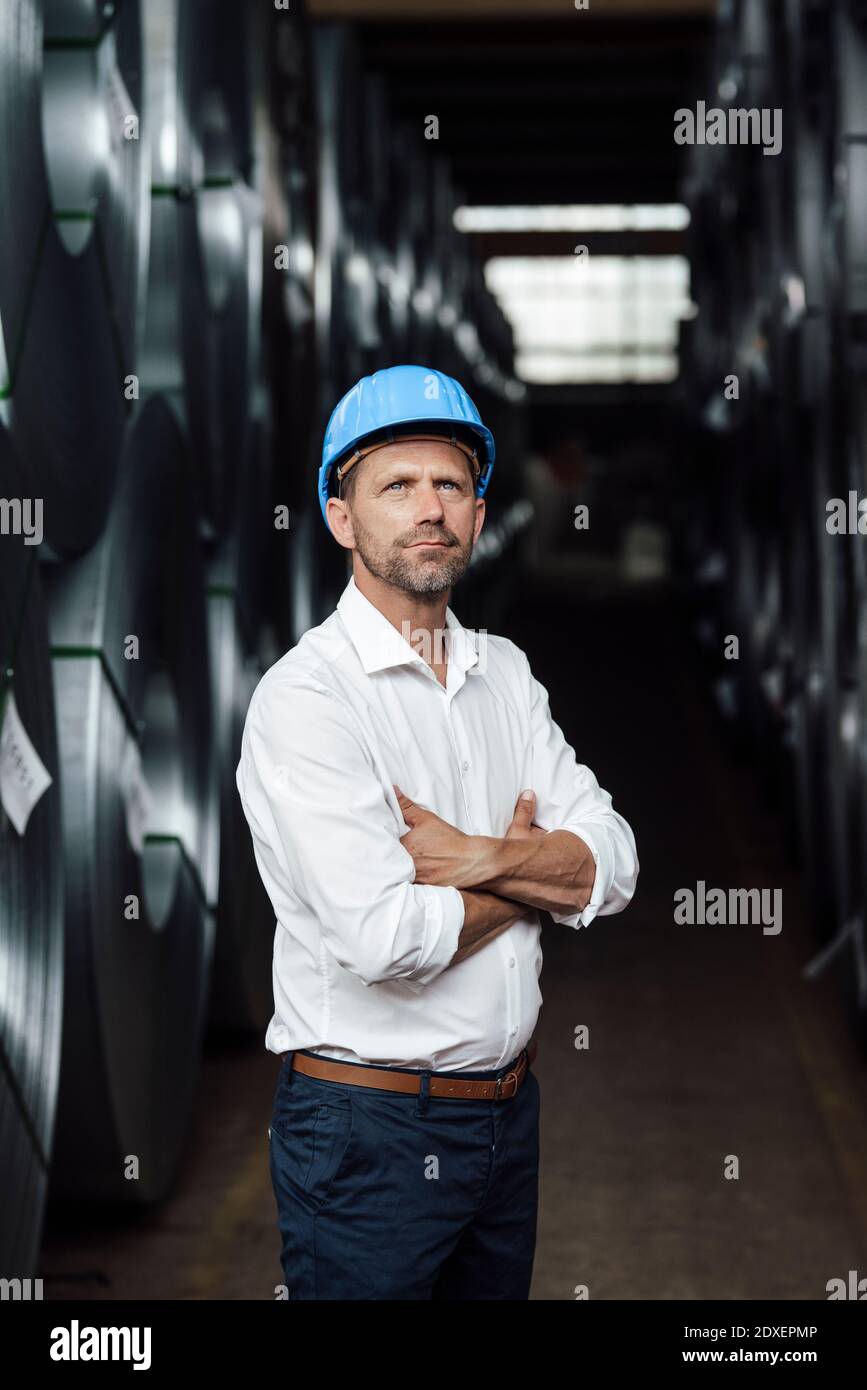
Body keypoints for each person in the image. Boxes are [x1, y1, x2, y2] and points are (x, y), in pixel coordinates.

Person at [235, 364, 638, 1299]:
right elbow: (383, 939)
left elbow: (612, 863)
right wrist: (531, 876)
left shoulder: (505, 675)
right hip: (364, 1135)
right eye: (397, 485)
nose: (430, 509)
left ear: (479, 513)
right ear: (341, 517)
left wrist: (474, 858)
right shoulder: (307, 699)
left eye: (450, 485)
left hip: (506, 1119)